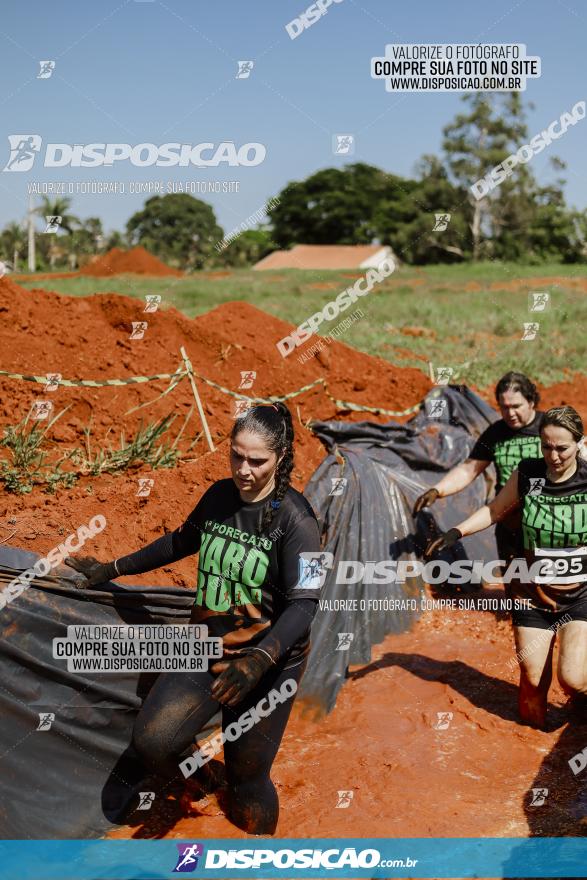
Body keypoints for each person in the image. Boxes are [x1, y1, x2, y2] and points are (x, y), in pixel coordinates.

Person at [65, 402, 322, 834]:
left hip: (269, 665)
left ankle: (260, 857)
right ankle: (203, 783)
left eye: (257, 460)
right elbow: (179, 541)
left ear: (280, 457)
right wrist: (112, 569)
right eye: (236, 455)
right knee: (153, 743)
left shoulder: (299, 522)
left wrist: (259, 660)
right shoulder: (219, 497)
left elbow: (305, 603)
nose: (244, 469)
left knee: (248, 781)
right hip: (204, 647)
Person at [425, 406, 587, 729]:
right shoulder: (529, 473)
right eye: (546, 446)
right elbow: (495, 510)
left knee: (572, 678)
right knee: (530, 690)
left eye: (562, 448)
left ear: (579, 444)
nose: (553, 456)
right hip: (531, 593)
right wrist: (456, 532)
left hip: (580, 595)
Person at [413, 371, 543, 568]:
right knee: (516, 580)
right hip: (508, 518)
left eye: (516, 406)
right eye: (504, 407)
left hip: (547, 518)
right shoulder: (496, 433)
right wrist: (438, 490)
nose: (510, 413)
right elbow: (469, 469)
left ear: (531, 402)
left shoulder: (549, 428)